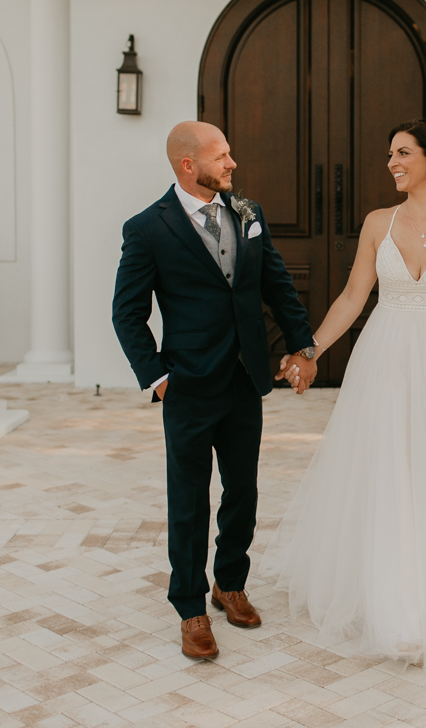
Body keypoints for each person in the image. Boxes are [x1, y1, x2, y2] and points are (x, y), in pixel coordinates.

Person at [261, 119, 426, 674]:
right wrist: (308, 350)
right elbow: (353, 296)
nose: (391, 162)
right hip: (385, 362)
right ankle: (398, 607)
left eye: (402, 153)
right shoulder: (377, 223)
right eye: (390, 154)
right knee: (390, 471)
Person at [112, 121, 317, 660]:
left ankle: (230, 583)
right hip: (187, 384)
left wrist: (305, 347)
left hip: (244, 378)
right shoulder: (147, 228)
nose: (232, 164)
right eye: (221, 156)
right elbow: (128, 313)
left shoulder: (247, 214)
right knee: (188, 501)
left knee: (242, 492)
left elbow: (276, 284)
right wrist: (157, 377)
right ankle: (190, 608)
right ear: (188, 165)